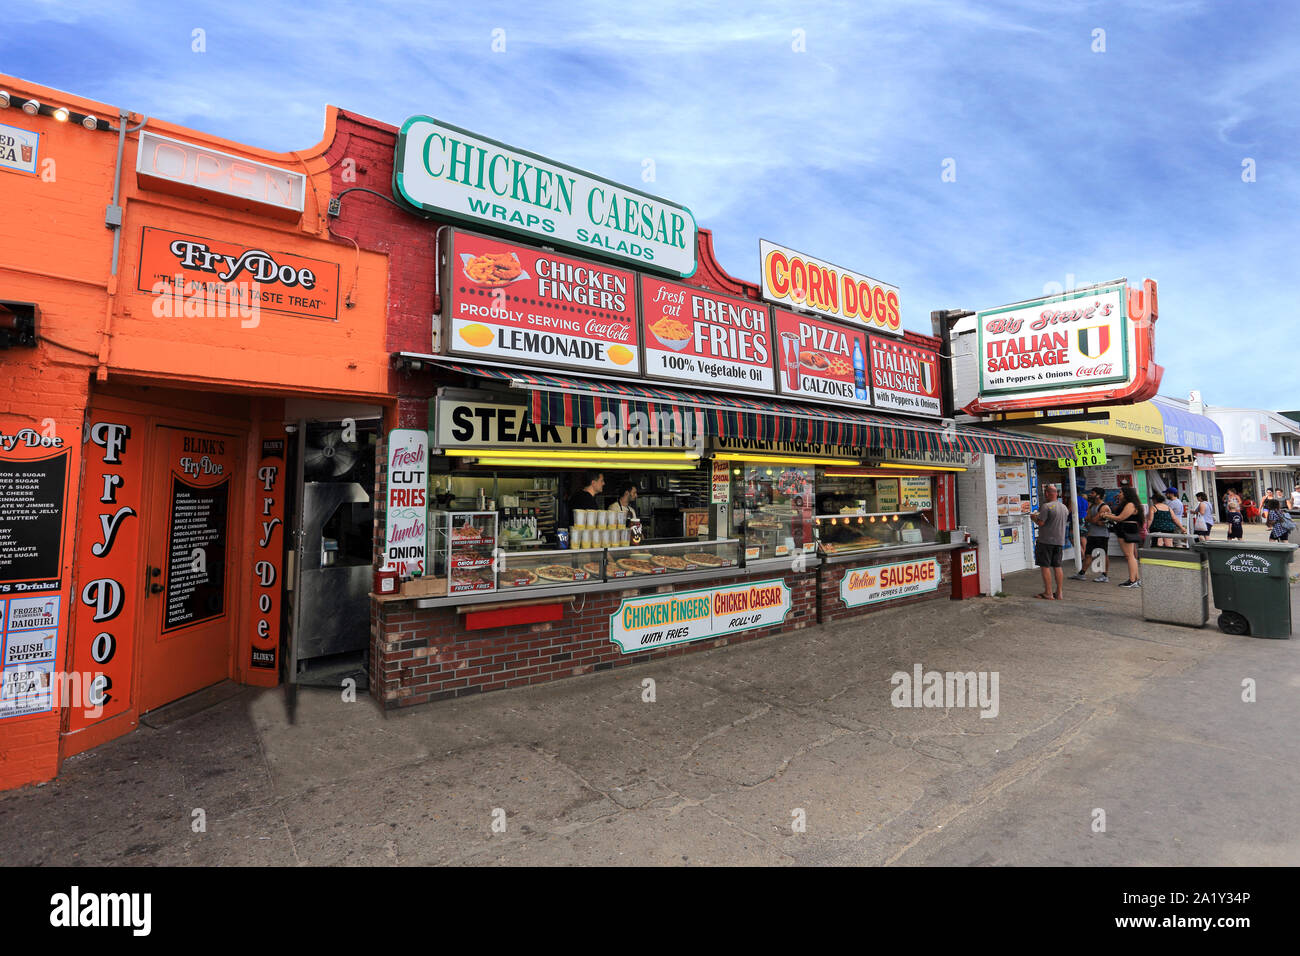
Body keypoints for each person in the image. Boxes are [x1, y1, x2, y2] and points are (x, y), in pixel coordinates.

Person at [1031, 483, 1069, 600]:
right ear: (1056, 494)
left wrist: (1033, 518)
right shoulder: (1064, 507)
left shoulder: (1046, 506)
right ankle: (1059, 592)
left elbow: (1041, 523)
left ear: (1047, 493)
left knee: (1045, 566)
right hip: (1059, 541)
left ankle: (1048, 592)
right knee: (1057, 566)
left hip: (1045, 541)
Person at [1070, 487, 1112, 582]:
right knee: (1088, 554)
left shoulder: (1104, 507)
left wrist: (1094, 520)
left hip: (1102, 535)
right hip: (1092, 534)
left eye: (1092, 493)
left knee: (1103, 554)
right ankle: (1081, 574)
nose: (1090, 495)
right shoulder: (1092, 506)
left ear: (1098, 495)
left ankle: (1105, 575)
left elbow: (1092, 519)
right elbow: (1087, 518)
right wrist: (1095, 520)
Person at [1108, 486, 1145, 587]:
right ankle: (1136, 579)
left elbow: (1120, 518)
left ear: (1126, 493)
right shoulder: (1133, 504)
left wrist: (1106, 516)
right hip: (1129, 528)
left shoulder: (1130, 504)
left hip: (1126, 529)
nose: (1119, 494)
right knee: (1131, 556)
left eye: (1120, 492)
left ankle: (1132, 580)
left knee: (1129, 556)